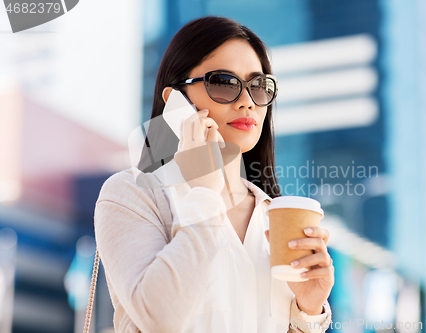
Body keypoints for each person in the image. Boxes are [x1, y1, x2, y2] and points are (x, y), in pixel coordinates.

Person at [94, 16, 334, 333]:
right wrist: (205, 195)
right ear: (175, 100)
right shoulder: (132, 193)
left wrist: (308, 309)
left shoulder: (272, 214)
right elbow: (158, 319)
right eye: (224, 83)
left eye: (258, 86)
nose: (247, 102)